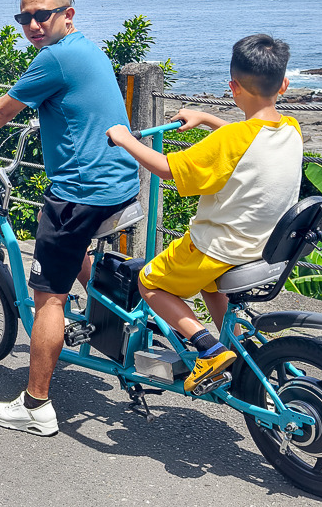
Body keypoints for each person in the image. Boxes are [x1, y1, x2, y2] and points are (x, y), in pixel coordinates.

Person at [0, 0, 140, 436]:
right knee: (77, 255)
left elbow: (1, 111)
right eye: (23, 16)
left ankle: (36, 406)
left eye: (41, 15)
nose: (32, 24)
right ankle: (118, 320)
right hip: (119, 182)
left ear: (68, 14)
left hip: (80, 194)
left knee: (49, 298)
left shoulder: (55, 59)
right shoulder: (88, 49)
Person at [106, 34, 302, 393]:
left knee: (149, 282)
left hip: (219, 248)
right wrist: (207, 118)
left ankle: (208, 349)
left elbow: (166, 168)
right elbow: (248, 141)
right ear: (284, 85)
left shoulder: (229, 142)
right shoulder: (290, 128)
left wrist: (126, 139)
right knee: (212, 287)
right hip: (264, 247)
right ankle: (239, 351)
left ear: (233, 87)